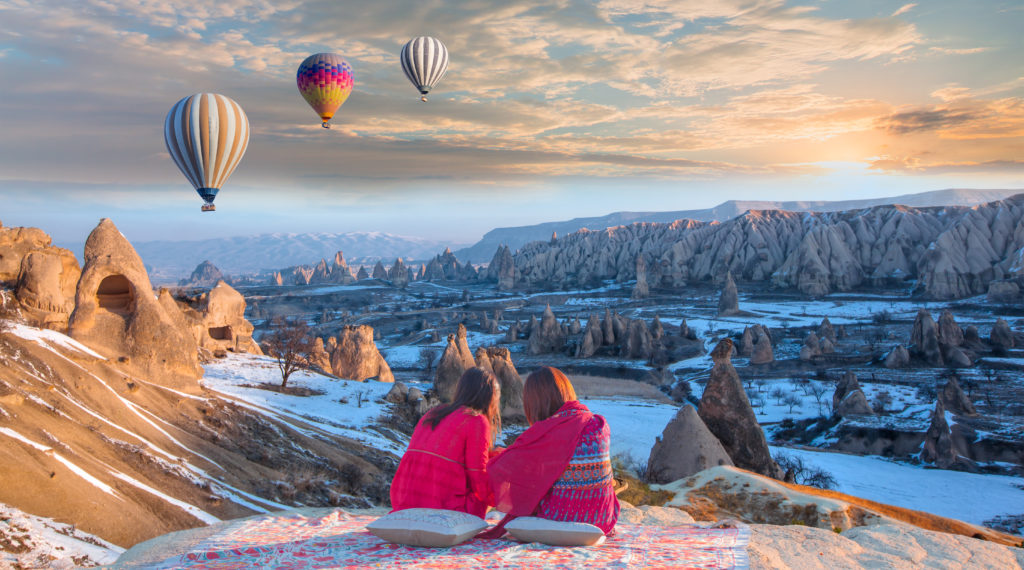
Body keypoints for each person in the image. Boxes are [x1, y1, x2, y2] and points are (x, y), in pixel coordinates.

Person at [482, 366, 619, 537]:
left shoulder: (545, 433)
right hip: (603, 520)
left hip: (559, 518)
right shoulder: (598, 423)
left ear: (535, 402)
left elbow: (498, 472)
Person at [390, 367, 502, 518]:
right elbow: (478, 478)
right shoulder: (476, 420)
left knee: (496, 456)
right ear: (490, 397)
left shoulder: (434, 412)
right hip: (445, 510)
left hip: (404, 504)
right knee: (501, 462)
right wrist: (502, 495)